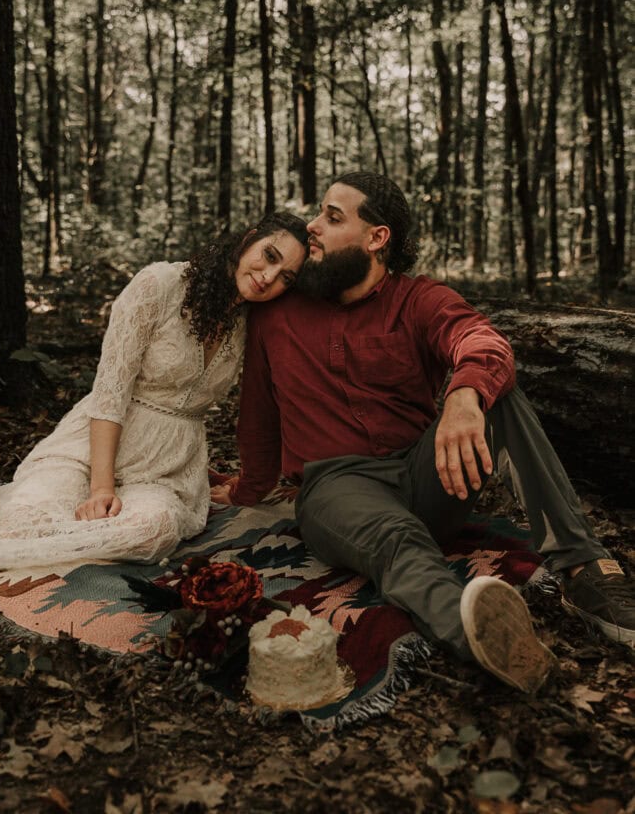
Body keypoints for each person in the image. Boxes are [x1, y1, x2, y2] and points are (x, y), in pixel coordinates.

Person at [212, 172, 635, 690]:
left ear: (377, 238)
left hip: (425, 472)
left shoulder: (419, 299)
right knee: (395, 537)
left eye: (332, 216)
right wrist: (246, 489)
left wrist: (464, 396)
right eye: (318, 213)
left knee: (498, 394)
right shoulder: (278, 311)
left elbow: (483, 341)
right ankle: (484, 637)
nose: (312, 226)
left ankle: (585, 568)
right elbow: (258, 415)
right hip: (337, 488)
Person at [0, 212, 308, 572]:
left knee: (154, 531)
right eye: (270, 256)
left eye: (285, 277)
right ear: (249, 239)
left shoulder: (254, 323)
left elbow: (263, 411)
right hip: (88, 452)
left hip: (165, 470)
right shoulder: (160, 285)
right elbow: (110, 392)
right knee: (23, 525)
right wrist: (100, 488)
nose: (268, 277)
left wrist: (249, 486)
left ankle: (67, 538)